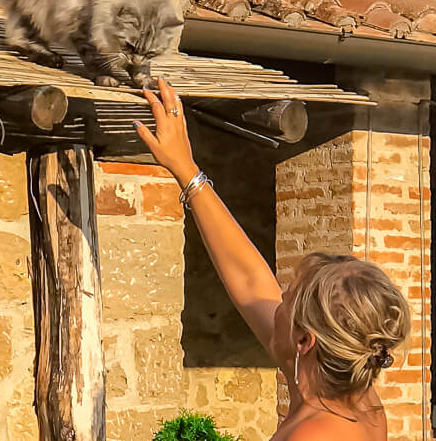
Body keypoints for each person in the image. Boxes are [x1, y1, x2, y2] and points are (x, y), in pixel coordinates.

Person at [135, 78, 411, 441]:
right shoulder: (354, 400)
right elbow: (250, 280)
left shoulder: (315, 434)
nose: (275, 303)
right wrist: (186, 170)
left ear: (304, 342)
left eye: (287, 301)